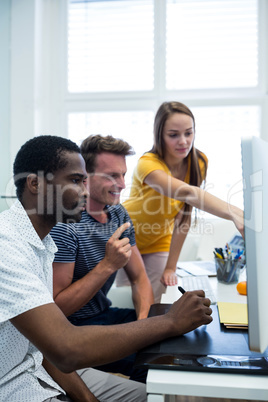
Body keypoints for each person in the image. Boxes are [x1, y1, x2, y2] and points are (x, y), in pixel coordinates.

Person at [0, 134, 213, 402]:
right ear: (35, 184)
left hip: (41, 367)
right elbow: (64, 345)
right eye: (77, 181)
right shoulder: (7, 246)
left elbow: (42, 350)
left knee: (164, 394)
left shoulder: (44, 244)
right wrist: (169, 322)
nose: (85, 191)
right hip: (15, 383)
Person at [50, 134, 154, 381]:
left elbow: (140, 279)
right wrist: (108, 265)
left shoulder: (118, 214)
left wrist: (142, 327)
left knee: (170, 338)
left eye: (123, 174)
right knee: (149, 363)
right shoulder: (67, 225)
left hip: (106, 315)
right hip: (74, 329)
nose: (122, 184)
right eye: (111, 176)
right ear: (85, 178)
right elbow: (57, 308)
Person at [116, 101, 244, 302]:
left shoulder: (198, 162)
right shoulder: (147, 163)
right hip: (127, 235)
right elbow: (186, 192)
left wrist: (170, 267)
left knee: (156, 300)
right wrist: (234, 213)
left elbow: (184, 214)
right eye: (173, 135)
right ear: (160, 135)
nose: (183, 141)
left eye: (188, 133)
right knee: (132, 300)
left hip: (159, 239)